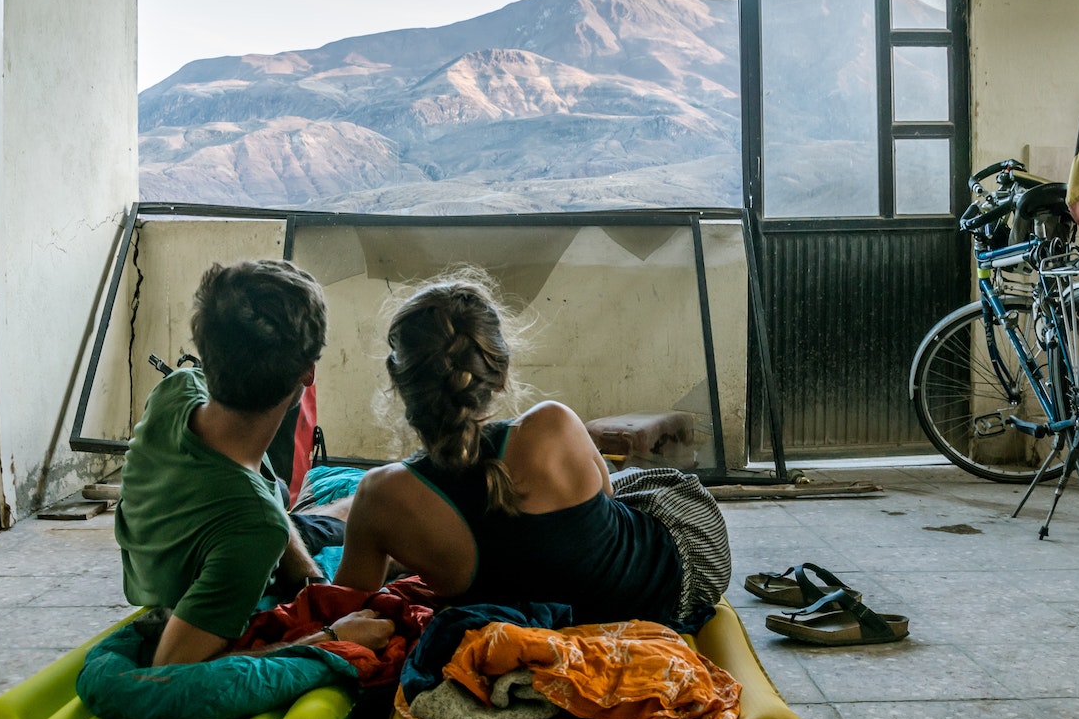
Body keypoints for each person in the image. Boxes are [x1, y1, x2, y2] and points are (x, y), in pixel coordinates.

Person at [333, 274, 731, 629]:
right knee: (635, 481)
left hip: (582, 594)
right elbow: (607, 498)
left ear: (398, 380)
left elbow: (347, 607)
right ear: (500, 374)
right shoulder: (552, 425)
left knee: (617, 487)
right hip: (681, 576)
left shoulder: (378, 497)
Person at [114, 259, 393, 666]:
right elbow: (171, 666)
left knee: (357, 506)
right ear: (308, 373)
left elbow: (260, 512)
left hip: (182, 549)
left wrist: (309, 578)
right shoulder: (254, 530)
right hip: (223, 572)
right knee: (385, 520)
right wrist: (333, 636)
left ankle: (320, 545)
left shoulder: (176, 391)